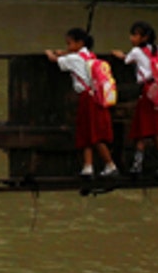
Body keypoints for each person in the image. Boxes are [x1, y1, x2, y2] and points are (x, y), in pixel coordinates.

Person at [45, 27, 118, 179]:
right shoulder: (90, 56)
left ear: (79, 43)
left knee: (93, 135)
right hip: (96, 97)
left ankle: (110, 165)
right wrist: (66, 53)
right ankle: (88, 167)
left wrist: (49, 52)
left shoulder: (73, 59)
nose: (67, 47)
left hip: (87, 99)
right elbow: (73, 57)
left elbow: (54, 60)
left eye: (69, 43)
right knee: (88, 133)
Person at [114, 20, 158, 178]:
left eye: (135, 35)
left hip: (147, 93)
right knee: (157, 132)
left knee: (142, 130)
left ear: (144, 37)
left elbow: (126, 60)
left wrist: (120, 55)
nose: (131, 38)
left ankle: (137, 167)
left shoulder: (135, 52)